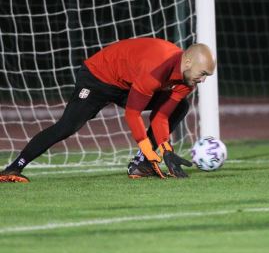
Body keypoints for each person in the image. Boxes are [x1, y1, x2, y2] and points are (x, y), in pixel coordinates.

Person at [0, 37, 216, 182]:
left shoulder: (188, 82)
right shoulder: (156, 69)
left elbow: (161, 116)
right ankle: (14, 167)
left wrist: (166, 150)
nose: (204, 80)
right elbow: (132, 113)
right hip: (98, 78)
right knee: (67, 126)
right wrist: (152, 149)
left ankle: (141, 165)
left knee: (181, 105)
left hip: (127, 83)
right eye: (203, 73)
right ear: (187, 62)